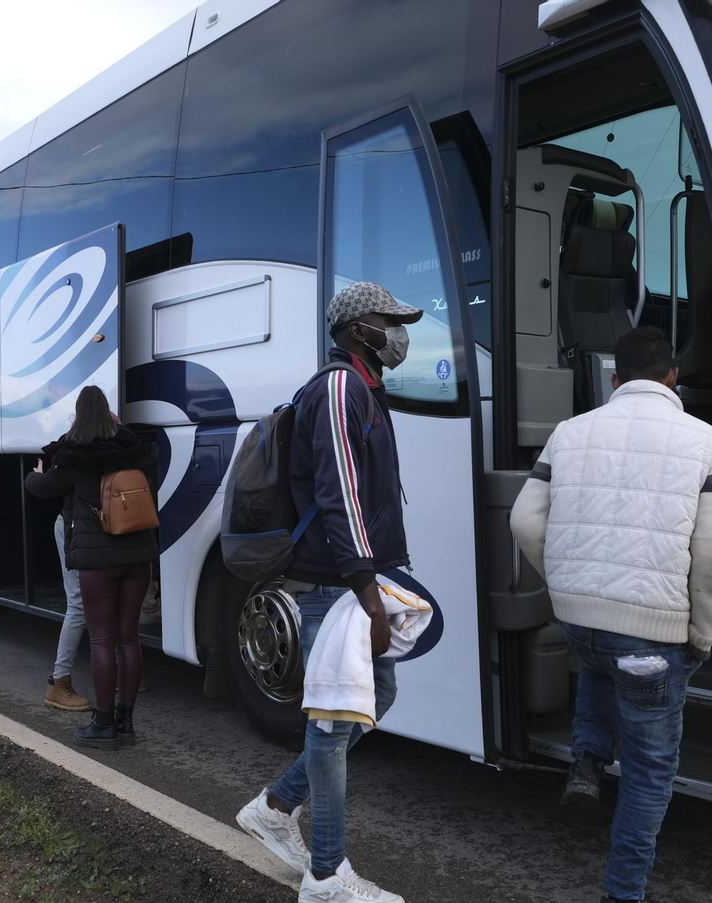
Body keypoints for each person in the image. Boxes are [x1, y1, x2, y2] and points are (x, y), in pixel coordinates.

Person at [509, 326, 712, 903]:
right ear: (672, 378)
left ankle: (587, 757)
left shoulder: (568, 432)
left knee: (601, 659)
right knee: (648, 775)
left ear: (614, 380)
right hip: (653, 638)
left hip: (581, 624)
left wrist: (565, 583)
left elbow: (522, 520)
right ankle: (623, 892)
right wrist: (702, 635)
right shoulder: (707, 440)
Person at [235, 281, 420, 903]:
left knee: (375, 697)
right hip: (332, 587)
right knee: (335, 721)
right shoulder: (341, 387)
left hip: (349, 582)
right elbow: (339, 490)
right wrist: (368, 591)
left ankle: (276, 806)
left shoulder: (364, 389)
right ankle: (325, 875)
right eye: (387, 320)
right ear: (354, 328)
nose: (399, 332)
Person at [25, 386, 158, 749]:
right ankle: (125, 721)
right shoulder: (137, 449)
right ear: (109, 411)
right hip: (138, 555)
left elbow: (43, 488)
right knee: (129, 640)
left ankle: (102, 725)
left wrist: (34, 473)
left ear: (80, 413)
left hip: (98, 559)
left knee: (102, 639)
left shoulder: (74, 452)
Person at [43, 509, 93, 711]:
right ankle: (59, 680)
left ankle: (111, 671)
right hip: (75, 526)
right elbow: (46, 485)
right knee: (78, 602)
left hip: (92, 525)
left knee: (105, 598)